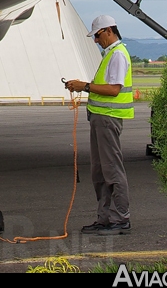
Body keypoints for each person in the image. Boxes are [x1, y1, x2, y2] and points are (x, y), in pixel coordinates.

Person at [65, 14, 133, 234]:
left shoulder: (118, 55)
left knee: (112, 170)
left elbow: (114, 89)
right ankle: (105, 219)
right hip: (100, 119)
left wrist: (84, 86)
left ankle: (120, 219)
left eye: (97, 35)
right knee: (100, 172)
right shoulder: (110, 55)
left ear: (108, 31)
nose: (95, 40)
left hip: (108, 119)